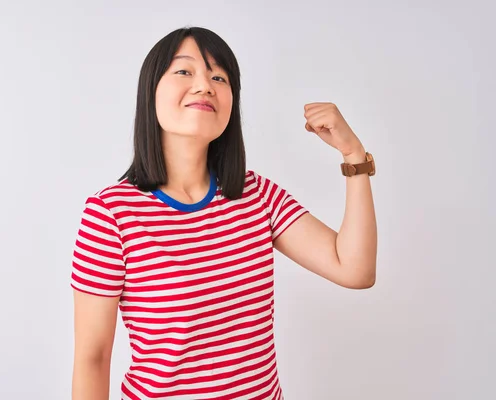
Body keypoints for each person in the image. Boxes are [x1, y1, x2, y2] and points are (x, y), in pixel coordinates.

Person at [70, 26, 377, 400]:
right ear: (150, 91)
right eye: (184, 71)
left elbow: (355, 269)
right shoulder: (111, 213)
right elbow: (93, 358)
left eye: (219, 77)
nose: (205, 85)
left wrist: (353, 155)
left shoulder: (257, 195)